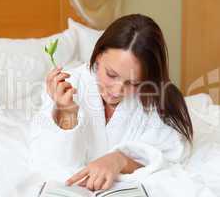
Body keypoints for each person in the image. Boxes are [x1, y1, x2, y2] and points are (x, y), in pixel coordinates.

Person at [30, 14, 193, 192]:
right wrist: (67, 113)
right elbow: (50, 163)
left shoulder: (152, 95)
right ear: (98, 55)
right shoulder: (69, 85)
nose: (116, 91)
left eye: (132, 83)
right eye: (111, 74)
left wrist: (119, 160)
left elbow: (169, 154)